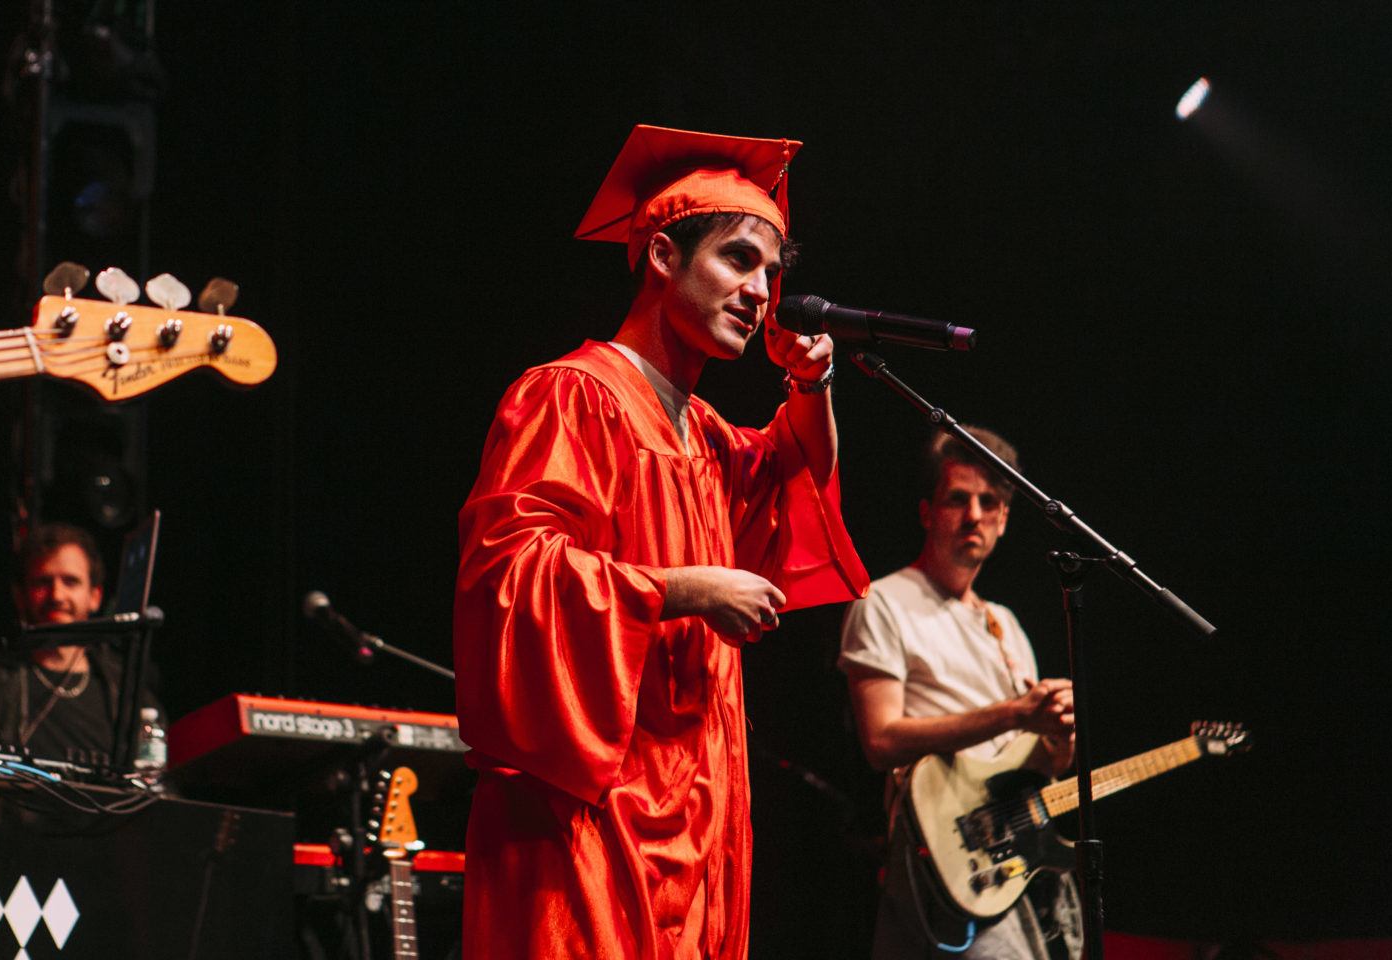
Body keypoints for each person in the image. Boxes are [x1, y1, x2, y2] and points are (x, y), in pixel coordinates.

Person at [453, 124, 870, 959]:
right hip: (591, 807)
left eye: (773, 273)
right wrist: (681, 589)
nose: (763, 292)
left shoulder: (706, 435)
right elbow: (511, 573)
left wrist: (812, 380)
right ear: (662, 259)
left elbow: (793, 473)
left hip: (695, 802)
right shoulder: (571, 396)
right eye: (740, 260)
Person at [838, 428, 1083, 960]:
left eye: (989, 502)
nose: (974, 514)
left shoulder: (1006, 625)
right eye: (958, 498)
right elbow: (879, 740)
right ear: (927, 512)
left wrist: (1058, 741)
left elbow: (1039, 766)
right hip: (938, 851)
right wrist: (1015, 712)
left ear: (1004, 520)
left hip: (1008, 854)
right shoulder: (883, 601)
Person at [0, 522, 162, 764]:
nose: (57, 595)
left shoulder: (128, 686)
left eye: (70, 581)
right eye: (43, 582)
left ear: (95, 596)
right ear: (20, 596)